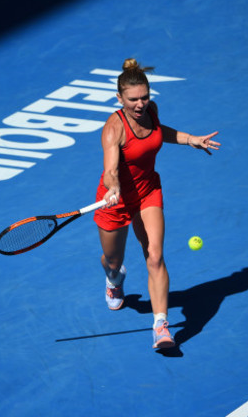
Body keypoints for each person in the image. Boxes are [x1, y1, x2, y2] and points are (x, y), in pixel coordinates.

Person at [93, 58, 220, 349]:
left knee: (155, 256)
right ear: (119, 98)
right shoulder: (114, 129)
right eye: (133, 99)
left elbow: (159, 132)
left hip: (148, 192)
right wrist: (113, 187)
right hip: (114, 199)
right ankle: (114, 279)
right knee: (113, 260)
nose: (140, 104)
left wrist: (190, 139)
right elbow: (111, 170)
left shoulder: (151, 111)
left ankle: (161, 327)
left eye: (145, 97)